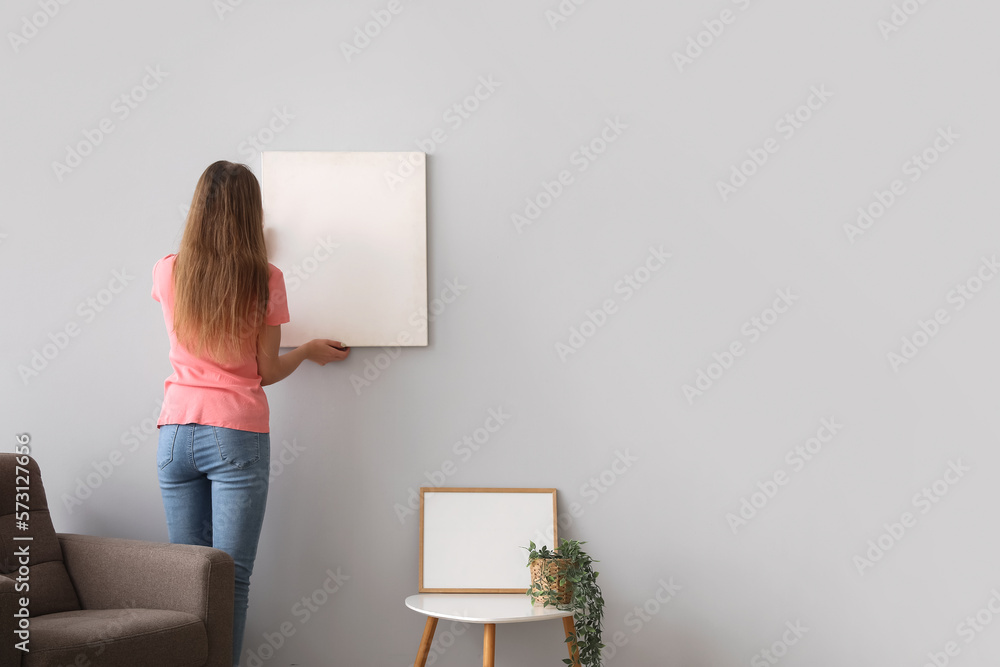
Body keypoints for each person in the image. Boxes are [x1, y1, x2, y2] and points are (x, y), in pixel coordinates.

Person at [151, 160, 349, 666]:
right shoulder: (266, 278)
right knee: (230, 581)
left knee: (187, 578)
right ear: (250, 213)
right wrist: (306, 351)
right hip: (234, 434)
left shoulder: (168, 270)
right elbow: (263, 371)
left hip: (173, 432)